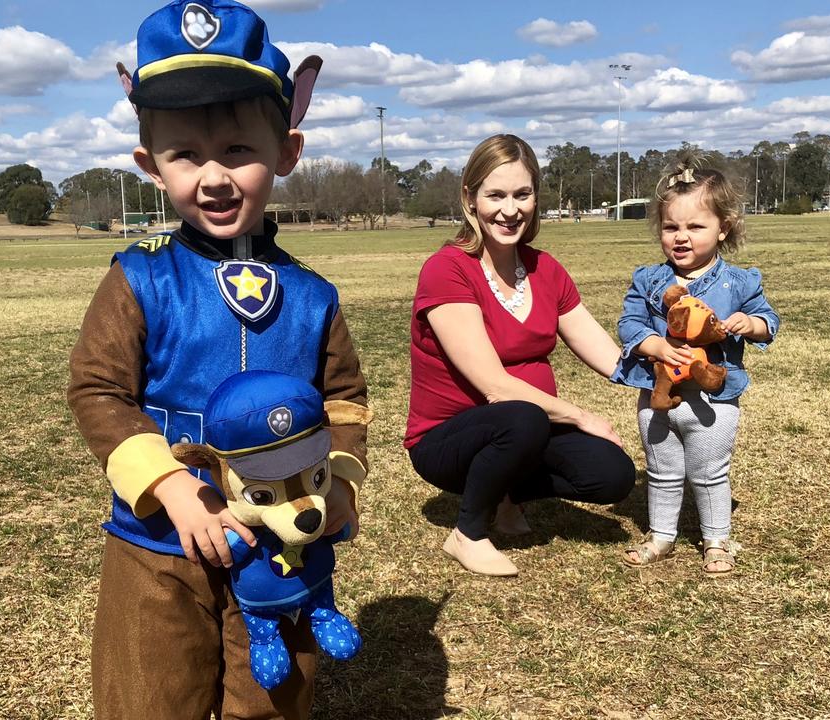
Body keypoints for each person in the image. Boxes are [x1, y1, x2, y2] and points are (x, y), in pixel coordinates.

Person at [67, 1, 368, 717]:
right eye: (185, 154)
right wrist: (169, 485)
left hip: (281, 554)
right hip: (157, 545)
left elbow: (345, 400)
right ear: (150, 164)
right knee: (146, 696)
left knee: (273, 701)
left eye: (239, 150)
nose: (214, 176)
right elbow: (97, 390)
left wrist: (343, 488)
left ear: (286, 153)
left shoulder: (314, 295)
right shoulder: (138, 278)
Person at [405, 134, 636, 578]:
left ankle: (505, 494)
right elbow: (494, 385)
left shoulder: (544, 268)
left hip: (524, 430)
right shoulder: (447, 269)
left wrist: (662, 367)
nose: (510, 210)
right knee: (522, 413)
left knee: (613, 475)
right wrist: (581, 416)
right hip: (447, 441)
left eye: (522, 194)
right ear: (470, 198)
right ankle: (468, 533)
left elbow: (607, 354)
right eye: (496, 195)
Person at [612, 156, 780, 576]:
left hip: (714, 398)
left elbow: (769, 321)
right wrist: (655, 346)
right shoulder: (649, 280)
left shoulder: (740, 282)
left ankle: (717, 539)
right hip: (659, 396)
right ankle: (662, 536)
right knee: (662, 469)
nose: (681, 237)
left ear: (723, 228)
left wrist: (751, 324)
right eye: (671, 228)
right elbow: (629, 322)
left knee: (709, 472)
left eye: (695, 227)